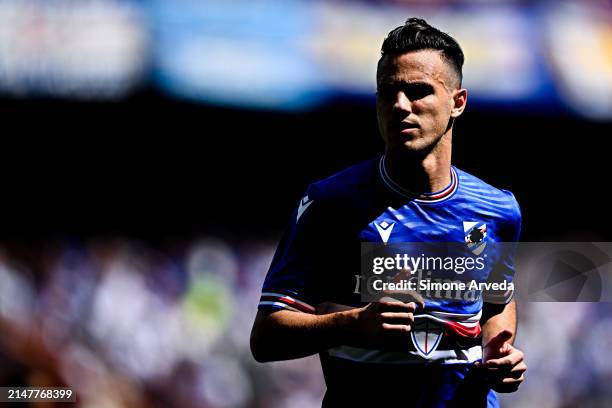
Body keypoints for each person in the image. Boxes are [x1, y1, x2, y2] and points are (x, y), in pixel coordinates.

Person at [251, 17, 526, 407]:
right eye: (388, 92)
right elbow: (266, 338)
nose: (400, 105)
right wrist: (352, 323)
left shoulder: (498, 209)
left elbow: (498, 299)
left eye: (418, 91)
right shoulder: (332, 203)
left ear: (457, 102)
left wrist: (500, 351)